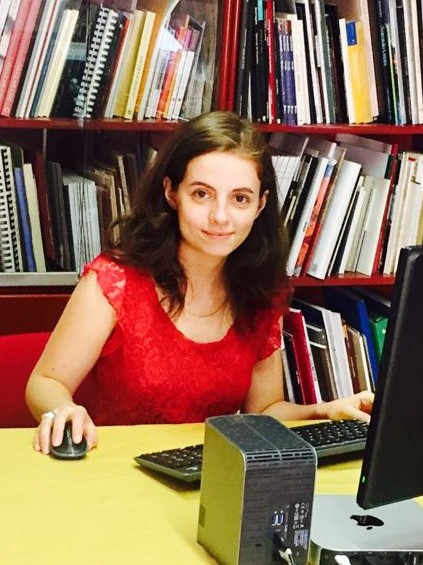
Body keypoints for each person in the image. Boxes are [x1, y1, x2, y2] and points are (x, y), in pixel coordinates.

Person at [25, 111, 373, 455]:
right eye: (202, 194)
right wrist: (63, 409)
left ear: (260, 205)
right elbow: (45, 382)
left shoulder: (262, 293)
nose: (220, 216)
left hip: (206, 473)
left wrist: (323, 411)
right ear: (171, 193)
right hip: (117, 471)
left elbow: (264, 411)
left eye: (240, 199)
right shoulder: (114, 282)